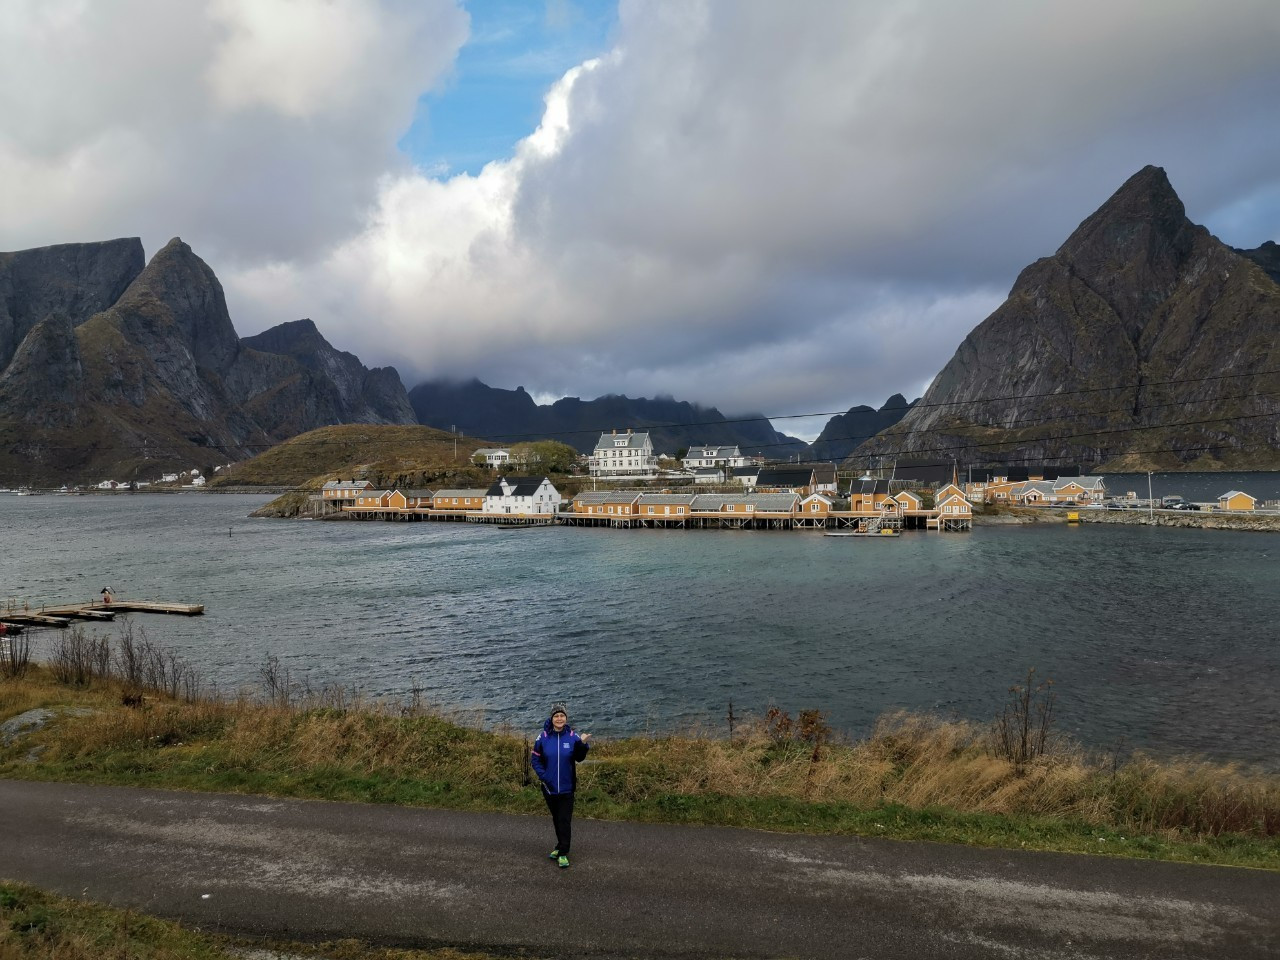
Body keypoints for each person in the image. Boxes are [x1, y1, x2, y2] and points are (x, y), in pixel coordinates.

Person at [530, 702, 590, 868]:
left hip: (567, 787)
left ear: (566, 718)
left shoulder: (572, 737)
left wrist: (583, 745)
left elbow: (579, 758)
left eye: (562, 715)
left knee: (564, 820)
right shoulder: (542, 737)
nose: (559, 718)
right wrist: (544, 776)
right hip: (549, 788)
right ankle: (559, 845)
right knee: (557, 819)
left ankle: (563, 852)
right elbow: (535, 759)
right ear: (551, 718)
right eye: (556, 716)